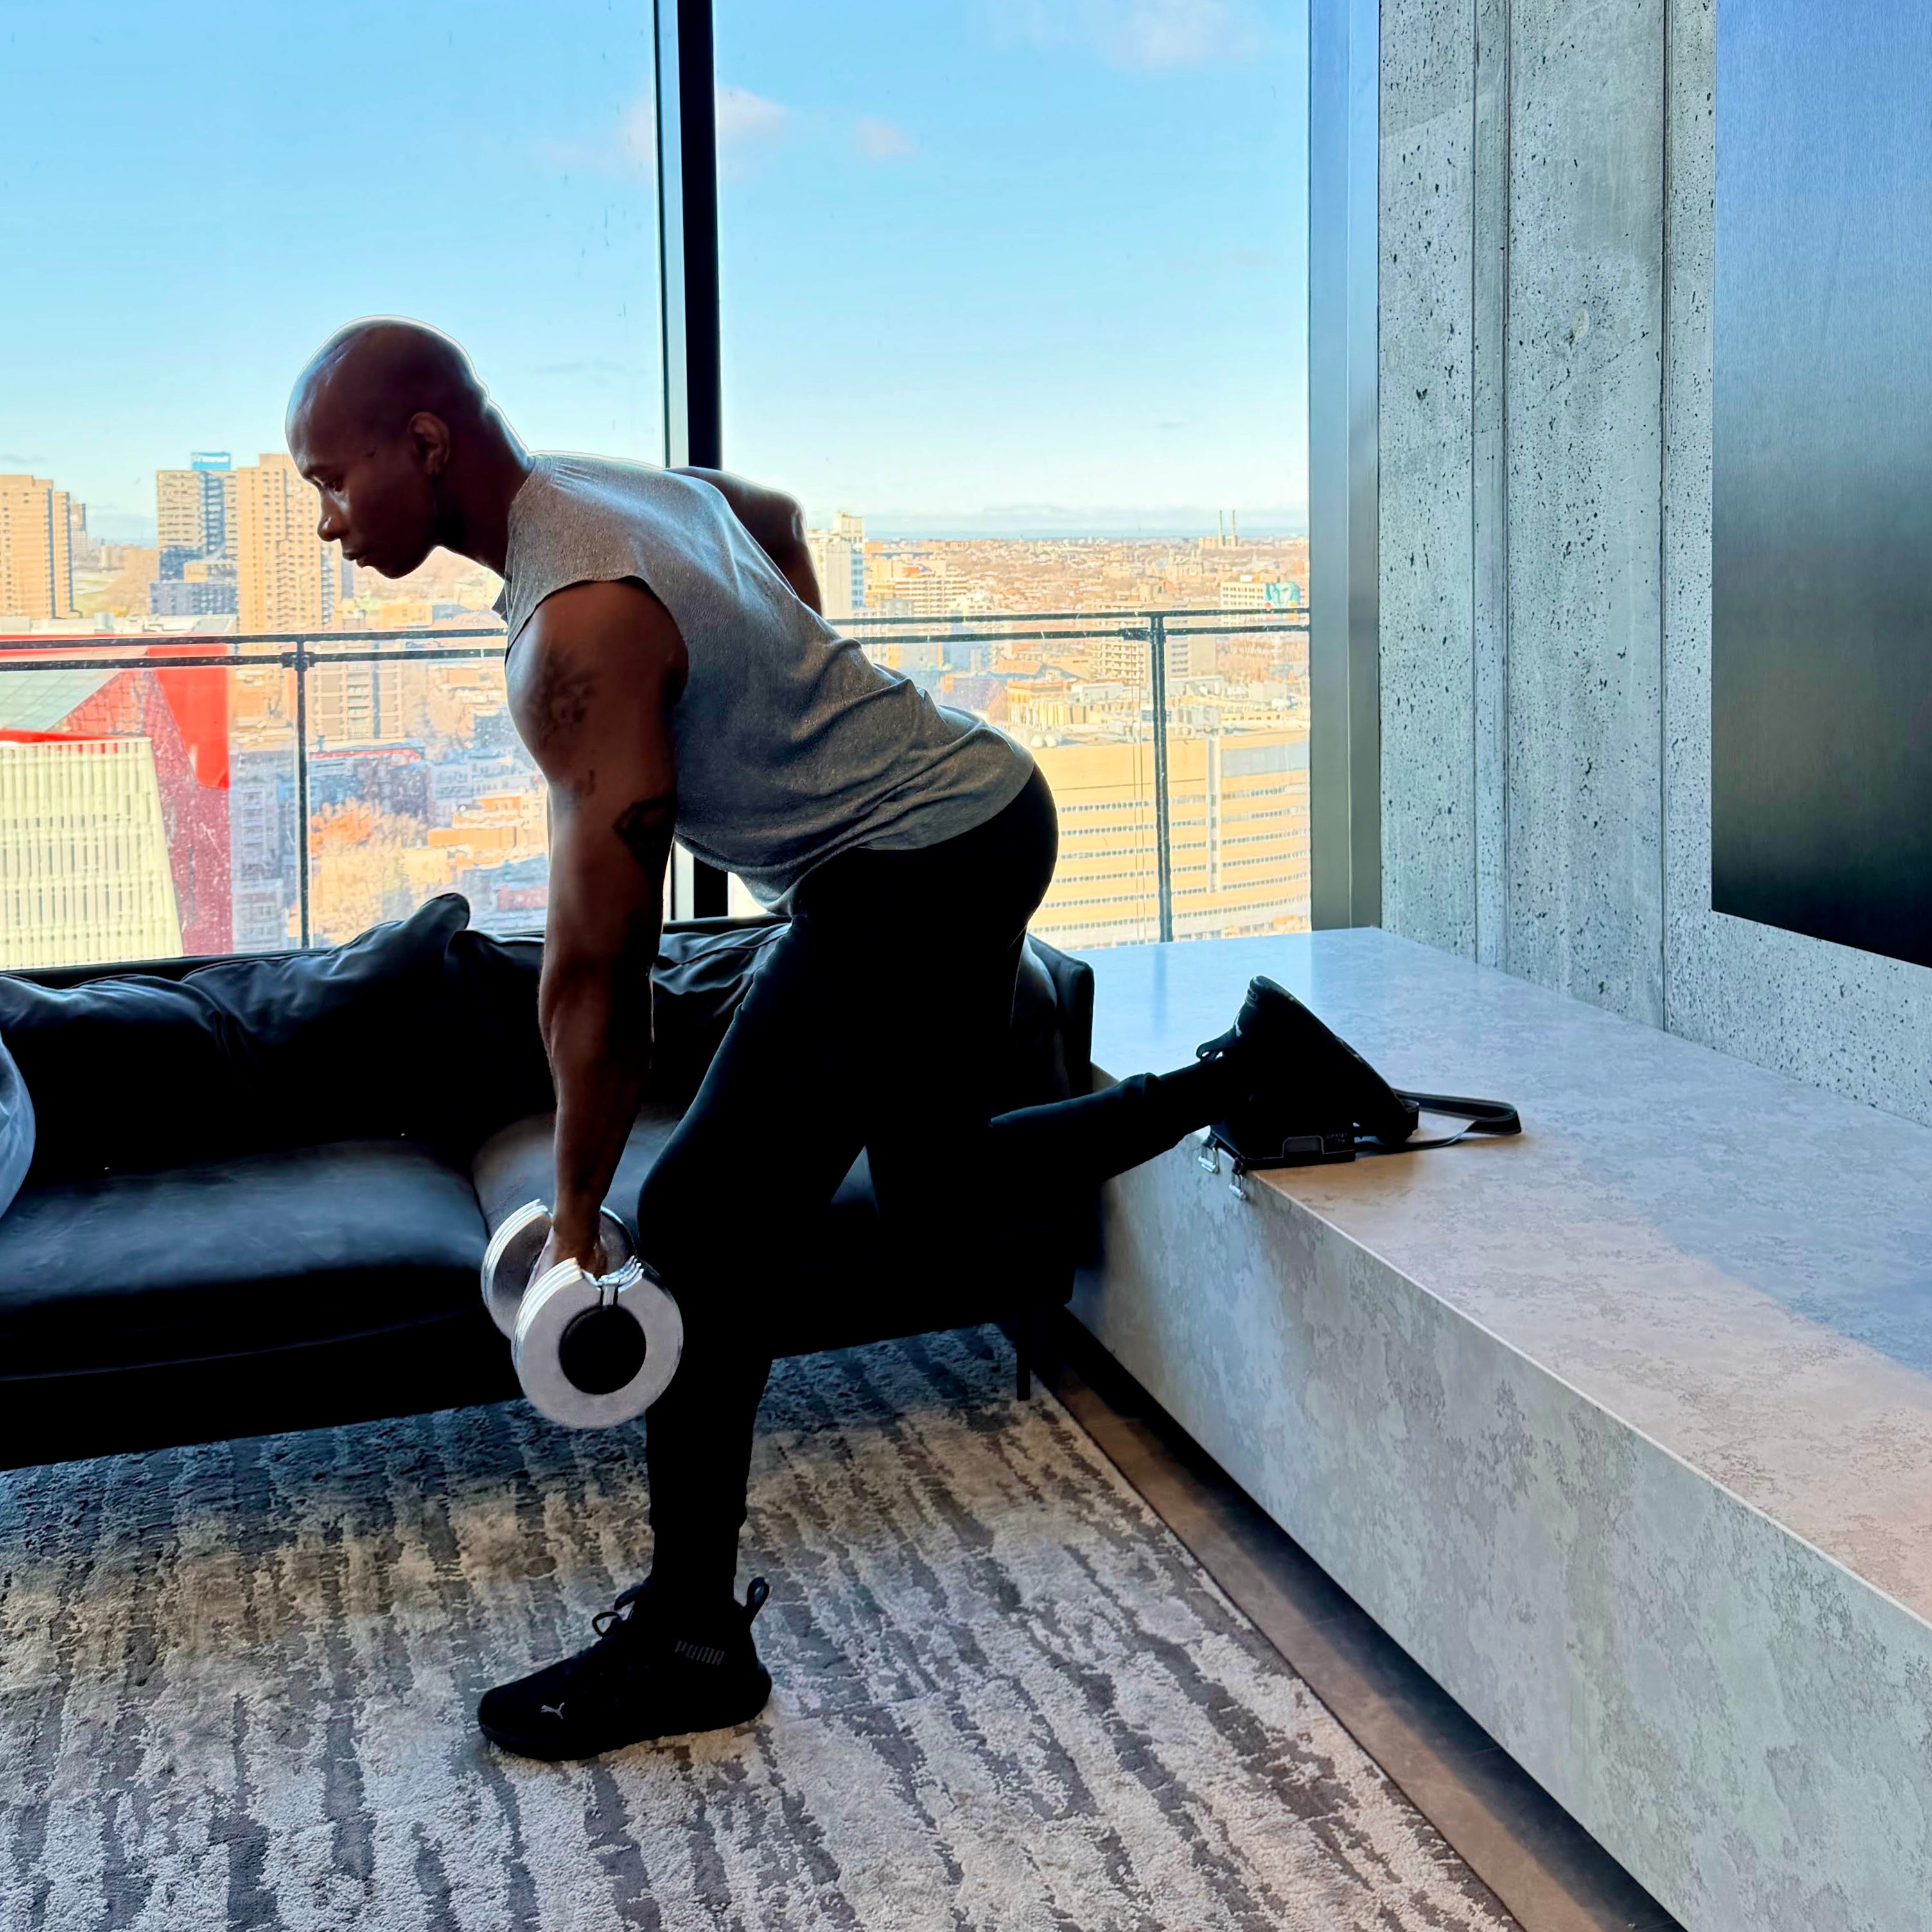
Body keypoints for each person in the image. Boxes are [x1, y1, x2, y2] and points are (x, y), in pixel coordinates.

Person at [286, 317, 1317, 1762]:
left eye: (332, 483)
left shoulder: (572, 628)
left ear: (427, 447)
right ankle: (1247, 1070)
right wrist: (805, 698)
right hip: (979, 804)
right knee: (936, 1190)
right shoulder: (591, 492)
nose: (327, 524)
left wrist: (581, 1210)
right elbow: (759, 515)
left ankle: (693, 1641)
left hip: (916, 861)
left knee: (697, 1217)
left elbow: (599, 970)